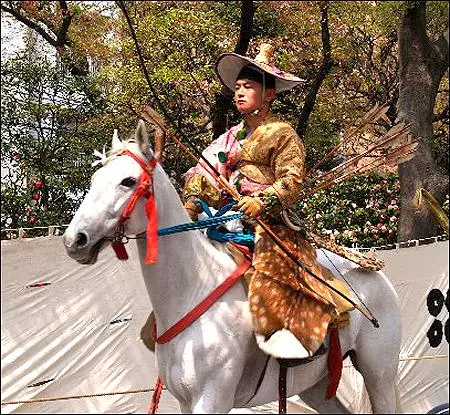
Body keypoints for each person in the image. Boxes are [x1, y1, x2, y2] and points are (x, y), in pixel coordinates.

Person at [181, 43, 344, 359]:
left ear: (269, 94)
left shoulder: (282, 133)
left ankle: (299, 337)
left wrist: (263, 201)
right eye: (238, 87)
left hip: (269, 223)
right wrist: (192, 198)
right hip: (226, 219)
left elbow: (292, 181)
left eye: (248, 87)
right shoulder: (229, 137)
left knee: (274, 271)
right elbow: (203, 170)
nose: (239, 93)